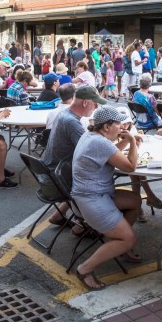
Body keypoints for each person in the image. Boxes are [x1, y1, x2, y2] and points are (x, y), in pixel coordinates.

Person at [70, 106, 141, 290]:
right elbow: (131, 167)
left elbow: (109, 153)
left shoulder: (92, 136)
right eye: (118, 123)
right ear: (107, 127)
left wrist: (125, 142)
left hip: (93, 193)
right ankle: (85, 269)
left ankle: (119, 247)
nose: (122, 127)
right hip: (91, 199)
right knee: (129, 238)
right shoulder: (100, 142)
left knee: (135, 201)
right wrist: (132, 142)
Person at [43, 86, 105, 222]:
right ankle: (88, 224)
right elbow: (92, 151)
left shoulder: (64, 113)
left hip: (50, 174)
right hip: (58, 179)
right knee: (102, 179)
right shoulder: (71, 121)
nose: (96, 108)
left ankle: (57, 215)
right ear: (85, 103)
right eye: (95, 104)